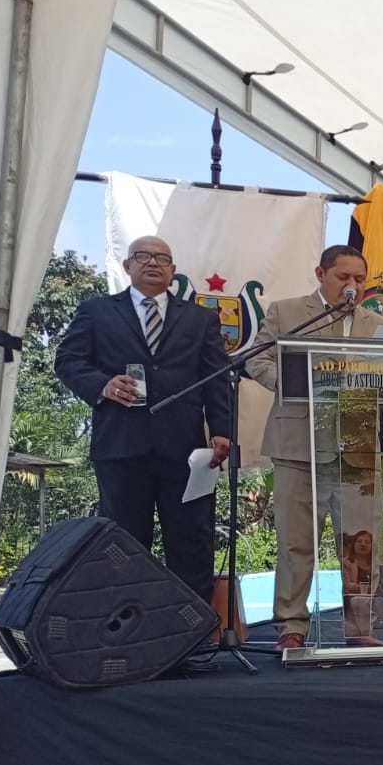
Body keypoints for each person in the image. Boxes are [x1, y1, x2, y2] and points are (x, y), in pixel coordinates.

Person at [55, 234, 232, 607]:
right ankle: (127, 630)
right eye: (143, 256)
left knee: (191, 543)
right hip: (120, 448)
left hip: (185, 452)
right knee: (123, 547)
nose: (153, 263)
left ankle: (192, 631)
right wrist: (103, 385)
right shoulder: (97, 311)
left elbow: (216, 378)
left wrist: (221, 431)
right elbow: (68, 361)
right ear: (127, 265)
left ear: (173, 270)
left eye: (162, 258)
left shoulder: (200, 318)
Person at [247, 245, 383, 650]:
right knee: (295, 543)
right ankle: (291, 627)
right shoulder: (288, 312)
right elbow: (257, 360)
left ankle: (360, 627)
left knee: (361, 542)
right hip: (298, 445)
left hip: (357, 448)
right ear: (321, 274)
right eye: (343, 277)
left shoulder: (380, 325)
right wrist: (289, 383)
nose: (353, 286)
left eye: (359, 279)